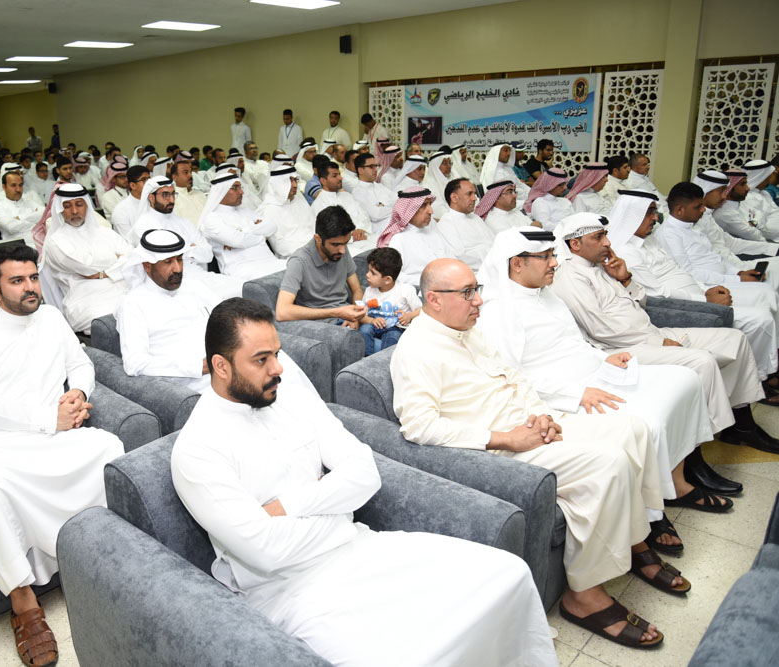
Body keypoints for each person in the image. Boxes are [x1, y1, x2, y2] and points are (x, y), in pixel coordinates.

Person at [172, 297, 557, 666]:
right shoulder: (197, 450)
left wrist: (288, 507)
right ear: (221, 366)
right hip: (291, 593)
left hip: (361, 546)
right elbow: (266, 552)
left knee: (507, 575)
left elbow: (364, 472)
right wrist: (337, 508)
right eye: (261, 359)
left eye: (277, 353)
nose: (278, 368)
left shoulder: (289, 398)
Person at [393, 258, 680, 651]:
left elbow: (515, 377)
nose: (478, 301)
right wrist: (507, 439)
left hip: (531, 426)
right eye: (467, 293)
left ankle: (634, 539)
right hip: (500, 452)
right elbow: (419, 427)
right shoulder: (416, 349)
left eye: (477, 289)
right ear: (434, 300)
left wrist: (542, 415)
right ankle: (584, 597)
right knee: (609, 464)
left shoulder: (468, 330)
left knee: (633, 428)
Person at [477, 228, 731, 546]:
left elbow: (575, 344)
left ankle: (676, 482)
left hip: (595, 373)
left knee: (685, 379)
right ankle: (648, 514)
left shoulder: (545, 294)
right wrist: (576, 394)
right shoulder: (498, 311)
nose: (555, 263)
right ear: (517, 263)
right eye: (546, 257)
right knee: (648, 421)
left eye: (553, 255)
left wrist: (604, 358)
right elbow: (512, 376)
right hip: (562, 394)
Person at [0, 244, 124, 667]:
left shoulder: (53, 318)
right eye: (17, 280)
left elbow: (80, 364)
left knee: (108, 448)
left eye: (33, 277)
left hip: (49, 432)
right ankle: (24, 603)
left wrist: (77, 393)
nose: (30, 287)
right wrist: (49, 418)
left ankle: (98, 554)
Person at [550, 212, 779, 454]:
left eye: (605, 235)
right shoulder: (569, 277)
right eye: (598, 237)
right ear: (575, 244)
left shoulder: (602, 266)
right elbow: (601, 330)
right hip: (623, 349)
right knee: (702, 361)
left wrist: (625, 278)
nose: (607, 242)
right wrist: (659, 342)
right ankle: (693, 453)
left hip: (650, 333)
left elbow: (641, 302)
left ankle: (742, 426)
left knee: (734, 339)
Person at [609, 189, 779, 386]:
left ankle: (760, 370)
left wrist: (706, 289)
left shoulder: (650, 239)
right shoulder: (625, 251)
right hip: (680, 307)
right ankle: (761, 376)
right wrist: (705, 300)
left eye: (655, 212)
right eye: (650, 212)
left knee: (764, 297)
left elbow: (680, 271)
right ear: (632, 215)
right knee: (759, 320)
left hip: (699, 293)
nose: (656, 218)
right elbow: (656, 294)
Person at [117, 229, 222, 391]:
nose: (177, 269)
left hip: (226, 366)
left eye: (179, 259)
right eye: (168, 262)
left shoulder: (194, 286)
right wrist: (196, 366)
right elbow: (135, 363)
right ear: (147, 266)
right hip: (193, 385)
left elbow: (227, 317)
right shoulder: (133, 303)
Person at [129, 175, 241, 300]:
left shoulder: (183, 222)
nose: (171, 200)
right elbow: (164, 259)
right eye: (165, 195)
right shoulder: (143, 225)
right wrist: (192, 249)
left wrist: (186, 251)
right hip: (173, 283)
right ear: (151, 197)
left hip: (199, 274)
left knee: (241, 286)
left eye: (173, 194)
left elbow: (208, 255)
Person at [41, 184, 131, 334]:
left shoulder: (105, 232)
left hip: (122, 289)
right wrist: (115, 258)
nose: (74, 211)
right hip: (86, 301)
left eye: (79, 204)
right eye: (67, 206)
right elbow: (86, 266)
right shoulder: (55, 242)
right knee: (116, 322)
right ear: (60, 209)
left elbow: (130, 257)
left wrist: (102, 273)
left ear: (87, 205)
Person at [276, 206, 366, 328]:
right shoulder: (299, 261)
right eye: (335, 244)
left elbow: (356, 289)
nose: (343, 251)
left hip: (348, 317)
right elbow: (282, 312)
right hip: (324, 326)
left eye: (345, 243)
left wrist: (356, 316)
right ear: (318, 239)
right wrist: (336, 312)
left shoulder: (340, 249)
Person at [198, 172, 286, 280]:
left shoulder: (245, 210)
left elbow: (272, 226)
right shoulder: (211, 219)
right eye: (235, 188)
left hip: (271, 262)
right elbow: (237, 240)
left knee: (297, 267)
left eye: (240, 187)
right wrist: (262, 237)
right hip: (243, 270)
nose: (241, 192)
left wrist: (243, 231)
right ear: (221, 191)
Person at [377, 186, 447, 289]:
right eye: (423, 205)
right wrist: (430, 281)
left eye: (430, 204)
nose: (431, 211)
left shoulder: (433, 234)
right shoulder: (397, 239)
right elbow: (394, 276)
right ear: (408, 211)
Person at [358, 247, 421, 356]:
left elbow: (422, 310)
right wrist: (371, 320)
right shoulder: (369, 291)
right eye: (368, 270)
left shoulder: (406, 290)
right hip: (373, 324)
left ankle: (385, 361)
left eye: (373, 273)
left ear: (387, 279)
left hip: (395, 327)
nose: (367, 275)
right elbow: (361, 315)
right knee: (364, 330)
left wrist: (409, 316)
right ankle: (366, 359)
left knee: (392, 338)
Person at [309, 163, 375, 256]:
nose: (340, 178)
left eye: (339, 174)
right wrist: (352, 235)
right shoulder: (320, 204)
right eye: (335, 176)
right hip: (345, 245)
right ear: (323, 181)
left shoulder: (346, 196)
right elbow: (329, 233)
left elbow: (363, 214)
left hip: (363, 237)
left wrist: (360, 228)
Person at [257, 162, 314, 259]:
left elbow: (314, 226)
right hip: (293, 257)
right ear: (278, 184)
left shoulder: (300, 201)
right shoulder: (269, 209)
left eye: (295, 180)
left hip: (315, 248)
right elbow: (280, 246)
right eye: (290, 181)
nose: (295, 185)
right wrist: (309, 249)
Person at [437, 178, 495, 271]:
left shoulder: (476, 218)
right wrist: (492, 256)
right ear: (454, 198)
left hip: (494, 266)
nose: (475, 198)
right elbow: (460, 257)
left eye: (474, 194)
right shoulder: (446, 224)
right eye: (469, 194)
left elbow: (494, 242)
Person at [712, 170, 768, 242]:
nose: (747, 188)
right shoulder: (725, 214)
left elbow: (761, 216)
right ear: (730, 187)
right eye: (742, 184)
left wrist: (754, 223)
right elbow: (755, 236)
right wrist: (754, 224)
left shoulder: (741, 204)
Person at [168, 152, 207, 226]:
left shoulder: (200, 194)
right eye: (185, 172)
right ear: (174, 177)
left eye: (190, 172)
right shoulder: (172, 198)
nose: (190, 175)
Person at [110, 165, 150, 237]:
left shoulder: (154, 202)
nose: (149, 183)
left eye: (149, 179)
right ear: (133, 185)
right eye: (144, 180)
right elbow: (129, 240)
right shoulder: (121, 210)